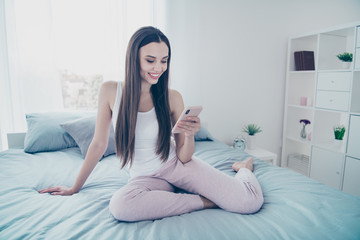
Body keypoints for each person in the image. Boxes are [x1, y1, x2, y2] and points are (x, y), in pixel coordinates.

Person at [39, 26, 264, 222]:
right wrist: (74, 188)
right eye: (150, 60)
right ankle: (205, 201)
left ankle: (243, 170)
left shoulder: (172, 97)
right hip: (143, 177)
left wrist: (190, 134)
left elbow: (185, 157)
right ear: (133, 57)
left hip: (177, 166)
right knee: (120, 206)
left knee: (249, 202)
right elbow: (98, 145)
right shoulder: (110, 91)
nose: (158, 67)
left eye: (164, 61)